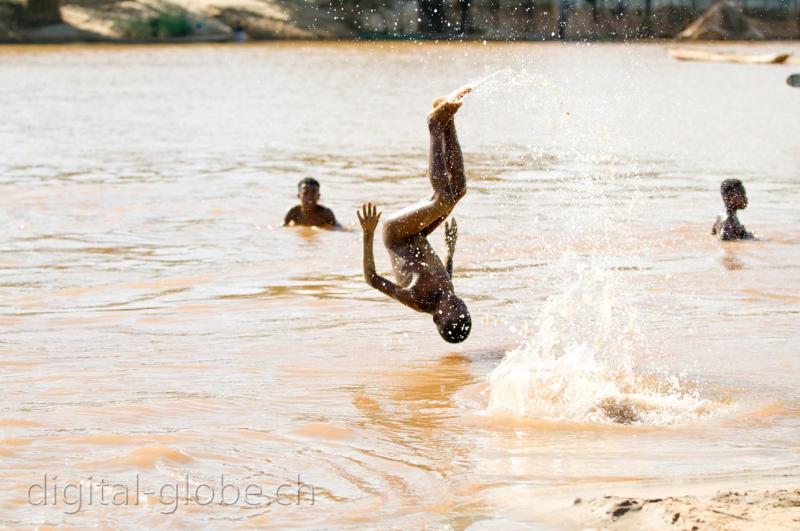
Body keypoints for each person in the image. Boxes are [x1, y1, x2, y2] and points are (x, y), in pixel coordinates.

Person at [357, 88, 472, 343]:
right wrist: (449, 249)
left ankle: (434, 125)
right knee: (459, 190)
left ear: (437, 317)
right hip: (419, 235)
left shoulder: (417, 299)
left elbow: (372, 279)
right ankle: (447, 120)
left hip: (397, 236)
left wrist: (368, 235)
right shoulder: (447, 294)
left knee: (441, 199)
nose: (456, 302)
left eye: (453, 309)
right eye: (462, 306)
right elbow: (445, 277)